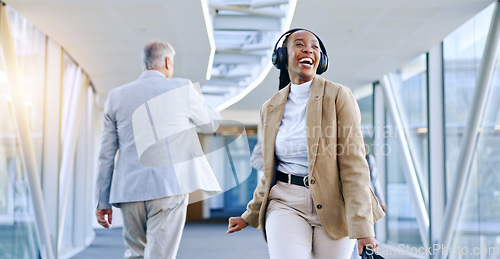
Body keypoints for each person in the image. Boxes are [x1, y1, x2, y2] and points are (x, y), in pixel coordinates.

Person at [227, 28, 385, 259]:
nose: (308, 49)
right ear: (282, 56)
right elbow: (270, 172)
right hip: (285, 202)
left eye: (314, 47)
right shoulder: (269, 108)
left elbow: (354, 166)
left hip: (334, 205)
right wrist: (250, 214)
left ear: (321, 59)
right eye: (299, 44)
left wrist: (363, 230)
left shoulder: (339, 96)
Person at [95, 40, 219, 259]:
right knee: (160, 255)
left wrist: (102, 201)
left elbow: (105, 155)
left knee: (135, 254)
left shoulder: (117, 96)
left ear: (144, 63)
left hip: (129, 190)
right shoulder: (182, 88)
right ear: (167, 61)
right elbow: (211, 124)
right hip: (169, 187)